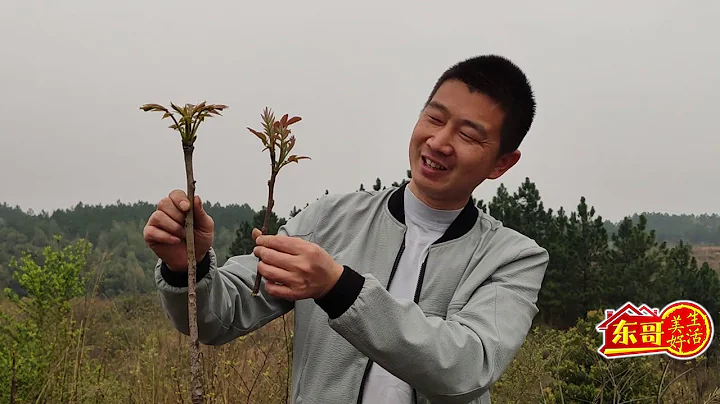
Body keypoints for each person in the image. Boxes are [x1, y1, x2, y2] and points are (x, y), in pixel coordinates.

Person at [143, 54, 549, 404]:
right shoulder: (329, 220)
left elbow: (466, 368)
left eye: (467, 135)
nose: (439, 141)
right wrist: (188, 267)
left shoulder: (512, 258)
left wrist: (338, 288)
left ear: (502, 163)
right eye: (434, 118)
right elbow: (222, 316)